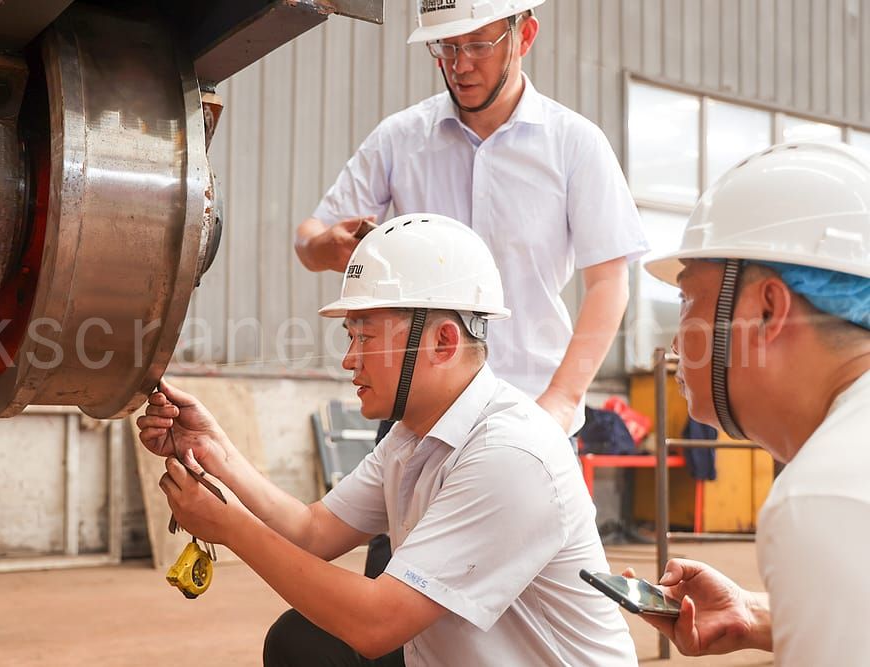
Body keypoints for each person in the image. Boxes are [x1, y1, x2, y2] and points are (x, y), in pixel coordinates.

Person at [139, 214, 638, 666]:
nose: (349, 359)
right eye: (350, 336)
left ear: (443, 341)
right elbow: (314, 531)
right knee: (302, 641)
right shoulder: (413, 435)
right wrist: (214, 449)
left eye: (367, 336)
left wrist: (229, 527)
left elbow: (376, 624)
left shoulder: (510, 455)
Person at [294, 0, 648, 437]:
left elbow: (609, 282)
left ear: (526, 36)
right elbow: (308, 239)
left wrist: (560, 401)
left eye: (479, 45)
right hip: (416, 412)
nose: (460, 65)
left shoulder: (575, 145)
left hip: (529, 408)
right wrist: (325, 246)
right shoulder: (401, 139)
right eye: (446, 47)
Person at [626, 141, 870, 664]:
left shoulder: (823, 496)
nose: (674, 343)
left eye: (687, 300)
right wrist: (759, 615)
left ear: (766, 310)